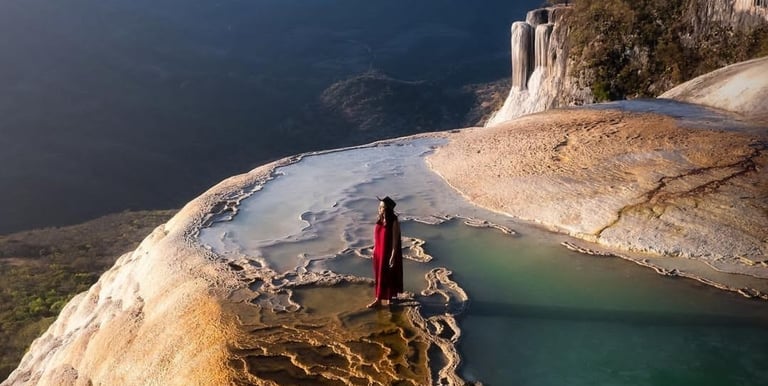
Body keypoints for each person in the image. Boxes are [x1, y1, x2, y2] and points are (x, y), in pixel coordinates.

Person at [367, 196, 403, 308]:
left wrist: (393, 256)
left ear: (387, 209)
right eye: (379, 206)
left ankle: (388, 298)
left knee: (387, 275)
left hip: (387, 253)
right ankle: (378, 299)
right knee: (379, 276)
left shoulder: (394, 221)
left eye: (382, 207)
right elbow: (377, 237)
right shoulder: (380, 219)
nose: (379, 208)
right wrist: (374, 249)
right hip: (378, 252)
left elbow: (395, 240)